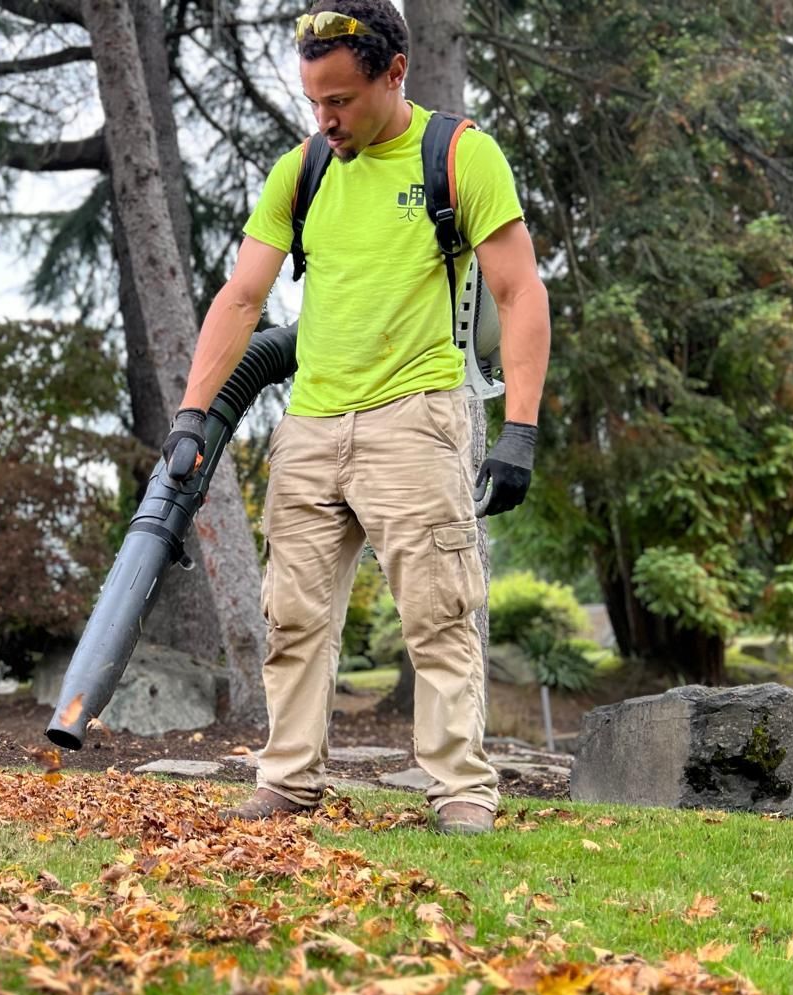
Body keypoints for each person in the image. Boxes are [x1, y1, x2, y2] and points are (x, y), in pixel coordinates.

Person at [163, 0, 550, 833]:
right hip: (309, 425)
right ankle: (289, 779)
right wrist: (195, 413)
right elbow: (241, 297)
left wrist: (519, 430)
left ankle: (460, 792)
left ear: (394, 72)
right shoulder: (300, 172)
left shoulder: (460, 155)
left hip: (416, 414)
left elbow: (519, 291)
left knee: (438, 614)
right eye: (314, 101)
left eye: (340, 99)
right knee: (291, 615)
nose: (326, 118)